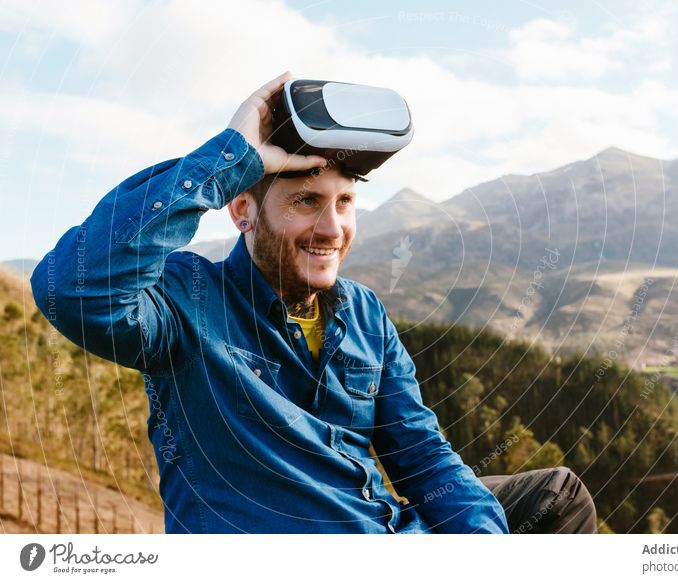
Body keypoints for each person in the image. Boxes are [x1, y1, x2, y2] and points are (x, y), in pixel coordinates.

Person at [31, 71, 596, 534]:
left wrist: (481, 542)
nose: (332, 228)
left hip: (389, 528)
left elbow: (420, 454)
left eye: (345, 202)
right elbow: (73, 288)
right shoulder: (185, 298)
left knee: (557, 495)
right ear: (242, 210)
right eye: (305, 200)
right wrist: (227, 160)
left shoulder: (365, 313)